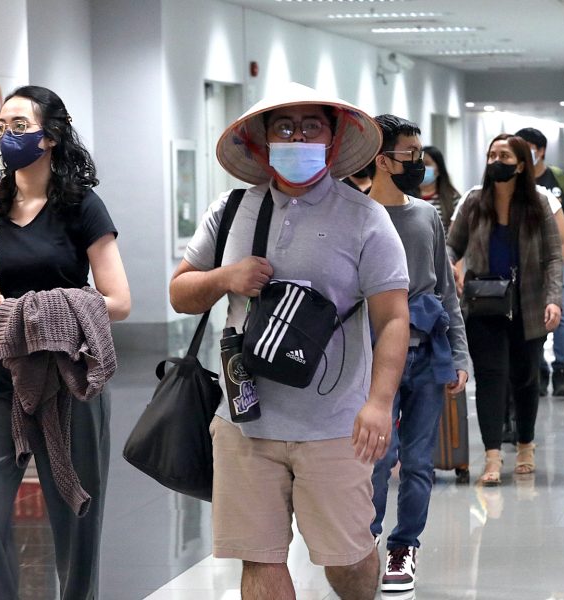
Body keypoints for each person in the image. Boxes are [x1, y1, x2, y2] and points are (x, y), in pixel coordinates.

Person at [169, 82, 410, 600]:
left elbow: (393, 318)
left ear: (332, 136)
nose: (297, 136)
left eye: (311, 126)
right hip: (244, 421)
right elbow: (180, 292)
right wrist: (225, 277)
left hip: (335, 427)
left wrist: (379, 404)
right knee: (259, 557)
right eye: (284, 127)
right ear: (261, 142)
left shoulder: (366, 219)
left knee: (347, 560)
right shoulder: (231, 210)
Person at [0, 85, 131, 599]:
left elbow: (119, 300)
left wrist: (32, 314)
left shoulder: (81, 206)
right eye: (3, 126)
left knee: (75, 516)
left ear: (51, 137)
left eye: (20, 126)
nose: (7, 135)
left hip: (69, 381)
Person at [366, 115, 469, 594]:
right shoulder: (357, 215)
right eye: (410, 155)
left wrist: (460, 357)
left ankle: (404, 547)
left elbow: (447, 294)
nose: (421, 164)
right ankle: (365, 543)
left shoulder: (427, 215)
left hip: (428, 353)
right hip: (371, 359)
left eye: (422, 154)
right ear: (383, 160)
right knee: (376, 458)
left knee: (420, 460)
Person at [446, 134, 562, 486]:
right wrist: (450, 265)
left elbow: (553, 257)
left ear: (521, 164)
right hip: (484, 304)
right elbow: (452, 246)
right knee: (491, 380)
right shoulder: (473, 203)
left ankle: (525, 445)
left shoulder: (538, 205)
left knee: (526, 378)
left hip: (528, 305)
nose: (496, 160)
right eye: (492, 154)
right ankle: (493, 456)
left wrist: (554, 298)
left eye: (505, 155)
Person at [514, 127, 564, 397]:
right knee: (530, 316)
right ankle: (539, 369)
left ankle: (562, 370)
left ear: (541, 150)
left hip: (559, 256)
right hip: (526, 262)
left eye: (528, 147)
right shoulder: (510, 182)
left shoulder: (559, 179)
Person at [419, 144, 461, 232]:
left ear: (438, 169)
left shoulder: (453, 197)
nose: (422, 167)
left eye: (427, 164)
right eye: (419, 163)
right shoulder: (406, 197)